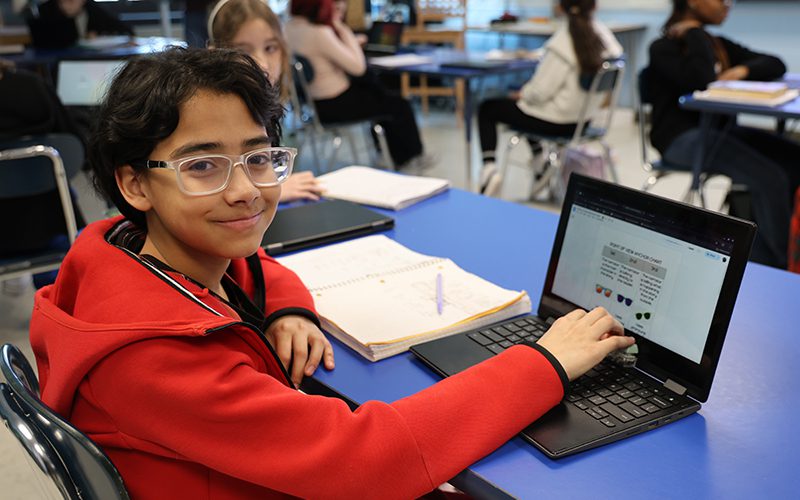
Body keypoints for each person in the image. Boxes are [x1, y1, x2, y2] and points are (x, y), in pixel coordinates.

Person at [29, 47, 633, 498]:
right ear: (135, 183)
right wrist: (544, 363)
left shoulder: (122, 251)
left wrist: (289, 306)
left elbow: (253, 260)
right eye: (203, 166)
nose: (245, 191)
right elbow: (367, 459)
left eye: (260, 157)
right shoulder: (153, 354)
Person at [648, 0, 800, 269]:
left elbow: (775, 63)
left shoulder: (716, 44)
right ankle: (782, 266)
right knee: (770, 178)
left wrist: (742, 70)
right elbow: (701, 80)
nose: (728, 5)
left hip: (720, 133)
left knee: (793, 157)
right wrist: (694, 33)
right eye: (720, 0)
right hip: (680, 140)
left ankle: (774, 246)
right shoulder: (664, 48)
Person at [477, 0, 622, 197]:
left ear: (561, 7)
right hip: (584, 121)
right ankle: (539, 162)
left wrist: (522, 93)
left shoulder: (563, 42)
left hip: (556, 123)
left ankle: (489, 170)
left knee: (489, 107)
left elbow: (539, 93)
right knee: (523, 107)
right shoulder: (605, 39)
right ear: (594, 6)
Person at [285, 0, 432, 169]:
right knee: (398, 104)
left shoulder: (289, 28)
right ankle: (411, 159)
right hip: (336, 105)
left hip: (312, 106)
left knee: (379, 97)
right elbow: (358, 68)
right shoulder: (320, 32)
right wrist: (340, 27)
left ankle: (387, 155)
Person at [209, 0, 324, 202]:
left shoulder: (269, 111)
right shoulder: (214, 117)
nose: (261, 63)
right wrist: (274, 189)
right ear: (214, 54)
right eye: (243, 51)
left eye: (270, 48)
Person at [0, 59, 87, 260]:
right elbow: (76, 144)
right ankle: (52, 287)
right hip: (52, 224)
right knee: (53, 168)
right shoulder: (32, 86)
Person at [25, 0, 133, 49]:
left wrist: (99, 34)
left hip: (89, 61)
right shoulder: (44, 10)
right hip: (54, 62)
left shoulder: (91, 8)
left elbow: (125, 29)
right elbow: (45, 41)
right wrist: (67, 15)